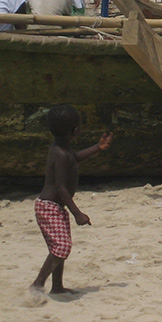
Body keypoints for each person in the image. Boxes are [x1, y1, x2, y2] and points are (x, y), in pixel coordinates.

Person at [30, 105, 112, 297]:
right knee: (61, 247)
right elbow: (61, 188)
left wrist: (98, 148)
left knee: (59, 246)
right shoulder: (60, 153)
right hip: (49, 207)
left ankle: (57, 287)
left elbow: (74, 158)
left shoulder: (62, 149)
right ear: (76, 130)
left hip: (54, 207)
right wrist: (77, 213)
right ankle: (38, 283)